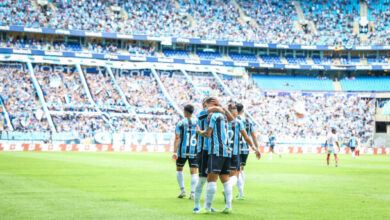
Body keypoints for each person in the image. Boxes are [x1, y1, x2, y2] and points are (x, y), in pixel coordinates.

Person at [196, 100, 233, 214]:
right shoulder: (224, 116)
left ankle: (207, 208)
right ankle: (228, 207)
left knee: (211, 179)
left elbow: (208, 133)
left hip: (216, 150)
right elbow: (232, 118)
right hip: (227, 150)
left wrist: (199, 131)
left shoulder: (212, 116)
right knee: (225, 180)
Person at [225, 103, 261, 201]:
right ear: (243, 110)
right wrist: (256, 148)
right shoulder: (248, 122)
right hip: (244, 148)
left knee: (233, 172)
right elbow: (252, 135)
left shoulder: (228, 119)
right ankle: (240, 193)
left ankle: (232, 191)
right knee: (240, 170)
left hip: (231, 148)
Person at [172, 104, 198, 199]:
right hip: (194, 150)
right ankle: (193, 193)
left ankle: (183, 191)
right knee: (194, 171)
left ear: (185, 112)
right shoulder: (197, 122)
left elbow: (177, 137)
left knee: (179, 169)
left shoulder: (181, 123)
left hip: (182, 150)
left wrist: (174, 151)